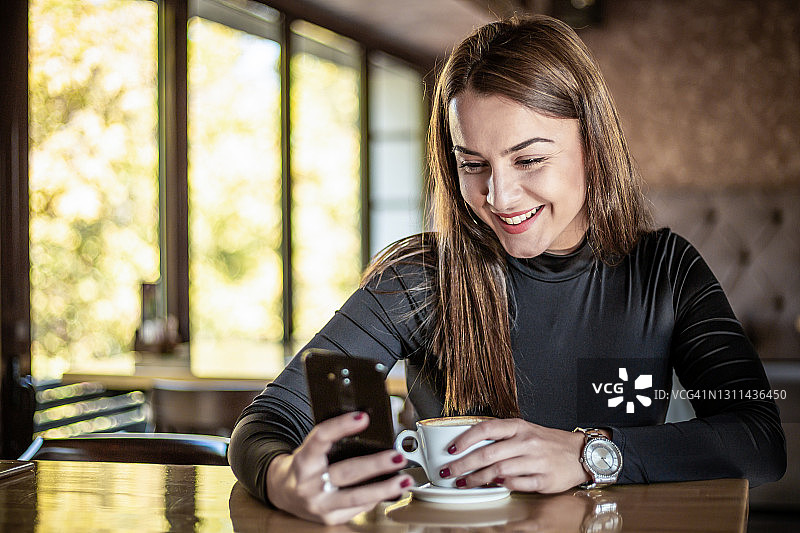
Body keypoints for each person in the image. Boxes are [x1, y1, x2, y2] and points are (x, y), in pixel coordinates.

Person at [228, 14, 786, 524]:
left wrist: (592, 453)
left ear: (593, 144)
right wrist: (284, 480)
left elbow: (758, 438)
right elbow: (269, 420)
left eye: (529, 159)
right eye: (473, 165)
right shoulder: (423, 277)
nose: (499, 195)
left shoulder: (665, 270)